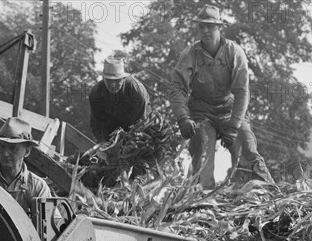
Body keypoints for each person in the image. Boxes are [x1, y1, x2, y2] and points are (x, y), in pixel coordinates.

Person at [170, 4, 274, 188]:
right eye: (201, 26)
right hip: (201, 112)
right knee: (202, 147)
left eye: (209, 26)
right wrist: (183, 118)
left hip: (229, 109)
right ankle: (203, 194)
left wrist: (233, 126)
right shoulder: (190, 54)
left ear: (219, 27)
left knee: (248, 145)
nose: (205, 31)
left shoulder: (235, 52)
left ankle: (268, 190)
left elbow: (242, 91)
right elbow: (178, 88)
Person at [0, 117, 53, 213]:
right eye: (2, 146)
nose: (5, 153)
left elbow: (49, 224)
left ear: (27, 151)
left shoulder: (38, 187)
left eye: (13, 148)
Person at [89, 56, 151, 143]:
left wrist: (131, 139)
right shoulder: (96, 93)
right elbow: (97, 123)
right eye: (109, 80)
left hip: (137, 124)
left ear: (123, 78)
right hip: (111, 128)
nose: (113, 84)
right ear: (103, 78)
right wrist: (103, 142)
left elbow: (142, 121)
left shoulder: (136, 90)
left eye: (117, 80)